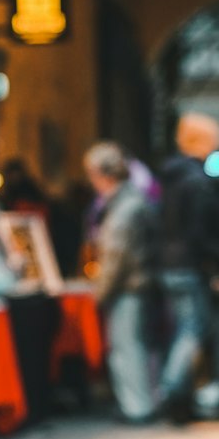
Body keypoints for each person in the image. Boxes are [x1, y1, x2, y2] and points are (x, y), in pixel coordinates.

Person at [158, 113, 219, 422]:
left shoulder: (172, 176)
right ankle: (172, 392)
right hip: (188, 265)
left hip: (170, 263)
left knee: (185, 328)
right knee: (193, 328)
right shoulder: (195, 181)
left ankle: (176, 392)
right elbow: (197, 232)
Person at [83, 140, 158, 423]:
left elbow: (115, 256)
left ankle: (137, 406)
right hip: (134, 285)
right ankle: (137, 404)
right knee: (131, 346)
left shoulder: (124, 208)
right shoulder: (128, 201)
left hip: (128, 288)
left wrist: (101, 293)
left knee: (127, 348)